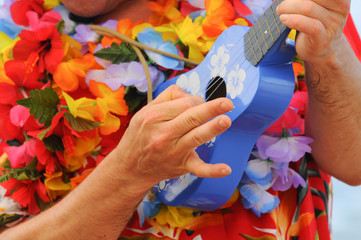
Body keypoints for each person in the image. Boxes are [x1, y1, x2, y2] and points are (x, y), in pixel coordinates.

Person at [1, 0, 360, 239]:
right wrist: (128, 173)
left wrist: (328, 57)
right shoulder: (12, 37)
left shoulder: (286, 4)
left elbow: (354, 163)